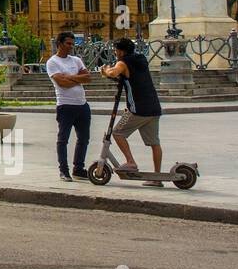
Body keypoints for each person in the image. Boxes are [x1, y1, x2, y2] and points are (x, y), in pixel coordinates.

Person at [100, 37, 165, 186]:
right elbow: (132, 80)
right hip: (154, 107)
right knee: (155, 143)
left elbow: (113, 73)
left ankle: (130, 162)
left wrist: (105, 70)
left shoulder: (123, 62)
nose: (115, 53)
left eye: (116, 50)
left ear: (121, 51)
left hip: (139, 109)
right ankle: (157, 177)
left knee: (117, 133)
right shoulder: (141, 59)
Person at [46, 31, 93, 182]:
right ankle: (63, 171)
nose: (71, 47)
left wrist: (69, 77)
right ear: (59, 43)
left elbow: (88, 78)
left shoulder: (76, 60)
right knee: (63, 139)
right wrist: (76, 78)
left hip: (82, 105)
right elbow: (62, 83)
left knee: (83, 139)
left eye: (73, 44)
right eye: (68, 43)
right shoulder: (52, 62)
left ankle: (78, 169)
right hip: (65, 105)